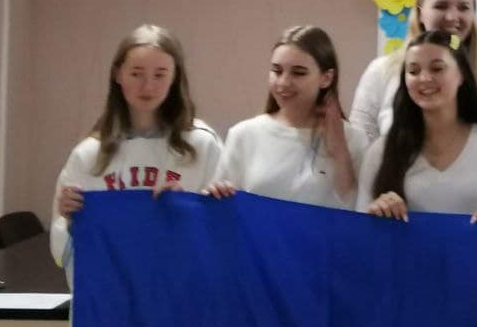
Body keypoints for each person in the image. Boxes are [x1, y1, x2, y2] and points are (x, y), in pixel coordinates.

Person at [50, 25, 222, 279]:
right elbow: (60, 255)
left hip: (182, 289)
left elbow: (224, 236)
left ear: (175, 77)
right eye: (136, 74)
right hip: (115, 290)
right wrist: (69, 219)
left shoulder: (202, 145)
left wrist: (189, 210)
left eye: (160, 75)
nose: (147, 86)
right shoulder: (89, 155)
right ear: (117, 74)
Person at [355, 30, 477, 222]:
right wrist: (376, 214)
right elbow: (359, 227)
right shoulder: (381, 152)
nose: (424, 78)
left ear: (462, 75)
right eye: (413, 71)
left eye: (437, 69)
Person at [351, 0, 477, 151]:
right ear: (420, 14)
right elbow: (359, 150)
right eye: (441, 6)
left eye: (463, 8)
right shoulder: (381, 71)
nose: (452, 17)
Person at [206, 25, 367, 209]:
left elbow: (357, 208)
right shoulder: (244, 134)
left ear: (326, 78)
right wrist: (216, 193)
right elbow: (221, 209)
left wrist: (339, 150)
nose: (283, 82)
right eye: (277, 71)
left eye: (298, 73)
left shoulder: (353, 139)